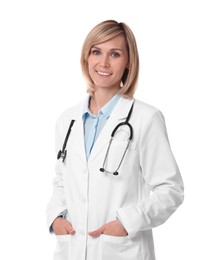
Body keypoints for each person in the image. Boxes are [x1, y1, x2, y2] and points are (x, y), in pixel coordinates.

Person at [46, 19, 184, 260]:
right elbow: (62, 181)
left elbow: (170, 190)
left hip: (122, 250)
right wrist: (56, 217)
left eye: (115, 54)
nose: (104, 62)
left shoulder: (145, 118)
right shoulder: (67, 121)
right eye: (96, 52)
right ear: (86, 57)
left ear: (128, 61)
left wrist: (127, 222)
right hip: (72, 249)